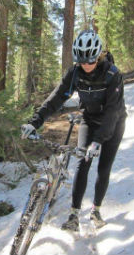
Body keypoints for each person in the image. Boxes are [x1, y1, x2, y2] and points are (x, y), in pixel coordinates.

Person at [21, 29, 127, 231]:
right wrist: (34, 122)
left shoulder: (113, 75)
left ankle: (95, 210)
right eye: (82, 61)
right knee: (82, 162)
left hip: (114, 123)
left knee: (104, 167)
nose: (86, 66)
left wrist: (98, 142)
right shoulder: (75, 74)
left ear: (98, 56)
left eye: (90, 61)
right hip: (90, 118)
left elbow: (113, 112)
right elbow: (55, 99)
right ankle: (74, 215)